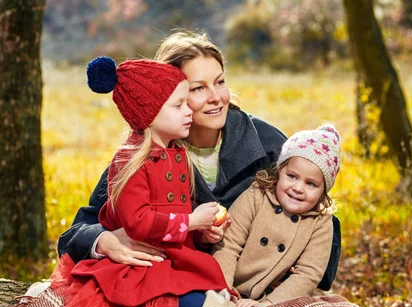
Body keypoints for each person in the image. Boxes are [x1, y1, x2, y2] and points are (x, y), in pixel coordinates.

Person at [51, 55, 230, 307]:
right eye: (179, 104)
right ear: (149, 113)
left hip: (170, 259)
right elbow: (137, 221)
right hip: (142, 263)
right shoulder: (133, 160)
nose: (189, 112)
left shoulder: (176, 152)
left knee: (207, 304)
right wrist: (190, 221)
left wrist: (204, 226)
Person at [57, 30, 290, 265]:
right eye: (197, 88)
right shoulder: (140, 156)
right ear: (166, 96)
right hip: (177, 279)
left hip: (255, 280)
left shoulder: (267, 142)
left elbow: (318, 214)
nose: (216, 97)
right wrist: (103, 240)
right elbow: (75, 233)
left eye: (219, 82)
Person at [212, 124, 341, 307]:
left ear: (323, 191)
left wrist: (268, 304)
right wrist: (224, 291)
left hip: (275, 299)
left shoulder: (320, 221)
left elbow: (308, 274)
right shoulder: (258, 195)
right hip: (229, 285)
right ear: (280, 171)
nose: (298, 188)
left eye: (311, 184)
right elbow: (228, 245)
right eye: (292, 176)